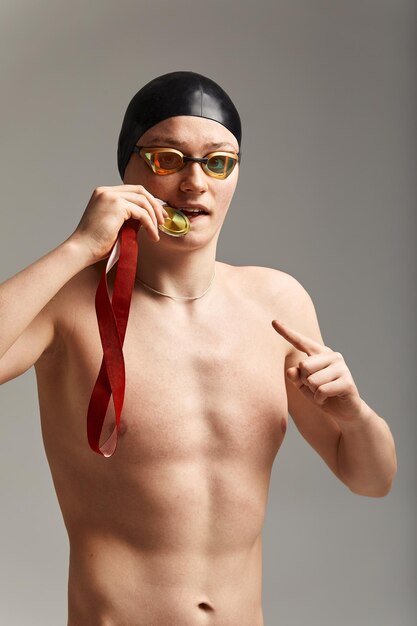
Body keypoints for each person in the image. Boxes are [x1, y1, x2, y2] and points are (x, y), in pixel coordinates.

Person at [0, 71, 397, 626]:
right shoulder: (70, 304)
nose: (194, 184)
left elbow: (372, 480)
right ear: (128, 170)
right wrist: (79, 248)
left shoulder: (276, 303)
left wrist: (353, 413)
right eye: (167, 159)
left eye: (217, 162)